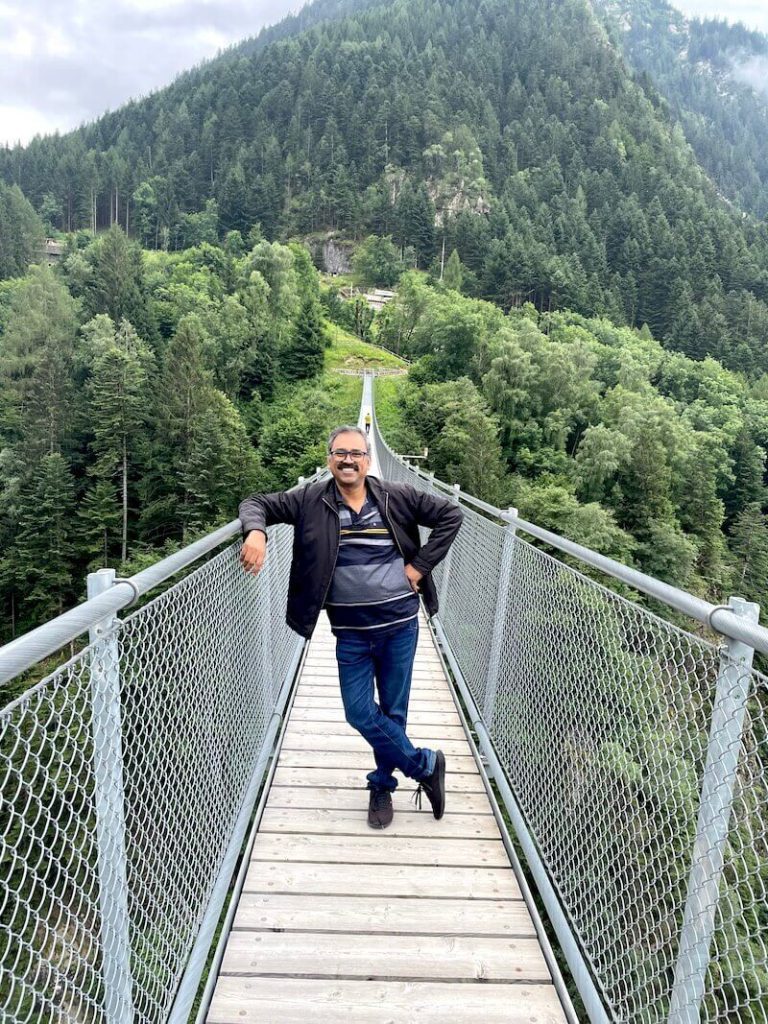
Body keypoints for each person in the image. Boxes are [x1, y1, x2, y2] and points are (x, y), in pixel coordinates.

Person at [239, 425, 463, 829]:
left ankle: (382, 784)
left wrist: (419, 565)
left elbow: (452, 514)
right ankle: (425, 765)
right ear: (329, 460)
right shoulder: (310, 500)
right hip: (351, 633)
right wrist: (256, 531)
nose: (348, 460)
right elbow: (257, 502)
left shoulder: (397, 496)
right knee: (360, 712)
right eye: (339, 453)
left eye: (356, 453)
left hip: (400, 626)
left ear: (368, 459)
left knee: (394, 712)